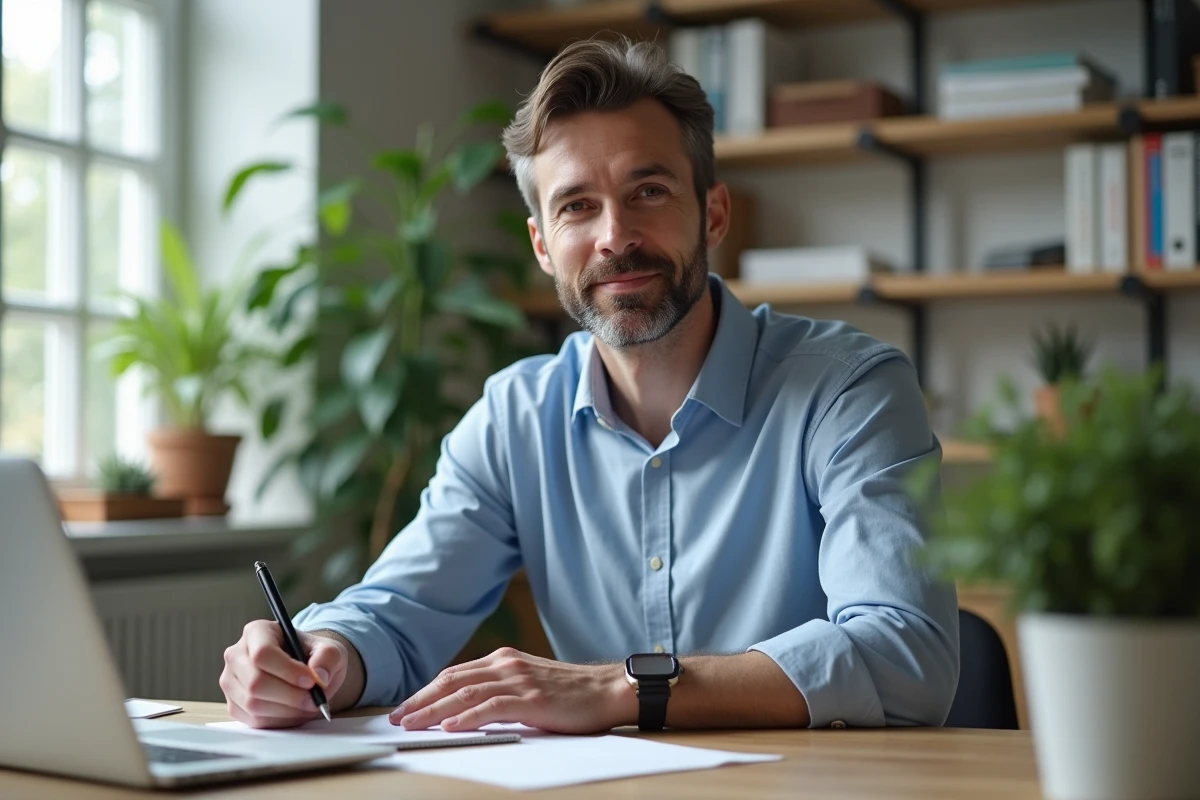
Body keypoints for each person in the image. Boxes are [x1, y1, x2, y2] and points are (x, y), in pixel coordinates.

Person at [220, 37, 959, 734]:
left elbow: (906, 656)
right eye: (577, 205)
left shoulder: (849, 391)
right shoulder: (516, 415)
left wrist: (618, 689)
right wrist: (321, 657)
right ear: (543, 244)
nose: (614, 236)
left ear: (713, 213)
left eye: (649, 190)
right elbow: (398, 609)